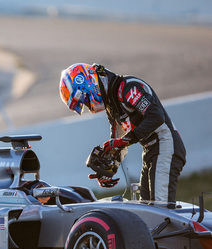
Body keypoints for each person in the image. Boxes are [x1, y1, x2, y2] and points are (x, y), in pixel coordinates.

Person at [59, 63, 186, 206]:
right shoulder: (112, 105)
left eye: (86, 101)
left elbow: (156, 117)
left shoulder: (128, 87)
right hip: (152, 152)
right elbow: (118, 142)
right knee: (146, 209)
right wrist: (107, 170)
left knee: (160, 210)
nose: (89, 106)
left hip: (166, 146)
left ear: (89, 85)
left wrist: (125, 140)